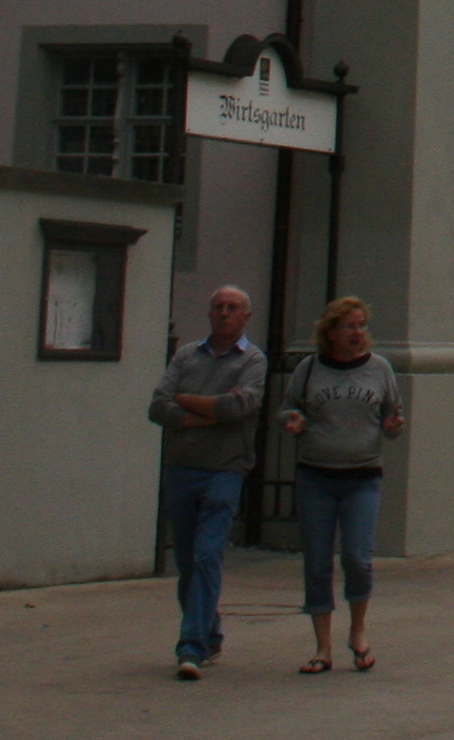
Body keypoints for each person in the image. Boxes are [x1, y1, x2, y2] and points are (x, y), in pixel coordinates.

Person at [279, 296, 403, 675]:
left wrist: (393, 427)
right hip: (316, 475)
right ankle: (322, 647)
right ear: (330, 331)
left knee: (357, 558)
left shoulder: (380, 369)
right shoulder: (310, 367)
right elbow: (287, 407)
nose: (357, 333)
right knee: (317, 562)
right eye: (349, 326)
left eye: (361, 325)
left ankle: (358, 631)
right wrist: (293, 420)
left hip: (362, 476)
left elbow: (393, 414)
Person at [148, 285, 267, 679]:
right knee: (186, 562)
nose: (225, 313)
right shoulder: (187, 355)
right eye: (218, 307)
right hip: (182, 468)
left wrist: (187, 400)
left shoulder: (252, 359)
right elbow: (158, 406)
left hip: (225, 469)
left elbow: (241, 406)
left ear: (246, 316)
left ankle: (191, 647)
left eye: (233, 308)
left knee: (206, 556)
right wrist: (209, 413)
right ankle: (210, 633)